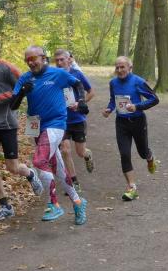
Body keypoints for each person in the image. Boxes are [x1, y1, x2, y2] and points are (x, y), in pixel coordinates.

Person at [11, 46, 88, 225]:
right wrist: (22, 92)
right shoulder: (24, 78)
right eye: (27, 60)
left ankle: (53, 204)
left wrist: (81, 101)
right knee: (58, 169)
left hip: (56, 124)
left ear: (43, 58)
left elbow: (78, 84)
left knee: (39, 161)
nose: (31, 63)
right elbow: (13, 106)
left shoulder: (58, 74)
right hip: (36, 125)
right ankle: (78, 202)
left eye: (33, 58)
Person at [0, 39, 43, 222]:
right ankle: (5, 206)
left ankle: (30, 173)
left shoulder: (6, 68)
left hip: (6, 124)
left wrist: (0, 97)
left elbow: (23, 87)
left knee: (12, 167)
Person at [101, 56, 159, 201]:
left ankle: (150, 157)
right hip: (121, 123)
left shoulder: (138, 81)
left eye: (122, 67)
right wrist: (109, 109)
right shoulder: (113, 83)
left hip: (138, 121)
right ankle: (132, 187)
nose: (119, 70)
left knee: (142, 152)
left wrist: (137, 106)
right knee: (124, 154)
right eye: (117, 67)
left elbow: (154, 99)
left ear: (130, 68)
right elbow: (113, 100)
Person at [53, 49, 95, 187]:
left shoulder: (77, 74)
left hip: (77, 119)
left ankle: (87, 155)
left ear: (68, 59)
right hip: (61, 120)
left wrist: (80, 103)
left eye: (62, 59)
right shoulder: (53, 76)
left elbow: (91, 92)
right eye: (57, 60)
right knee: (65, 150)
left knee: (80, 152)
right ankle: (74, 181)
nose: (59, 63)